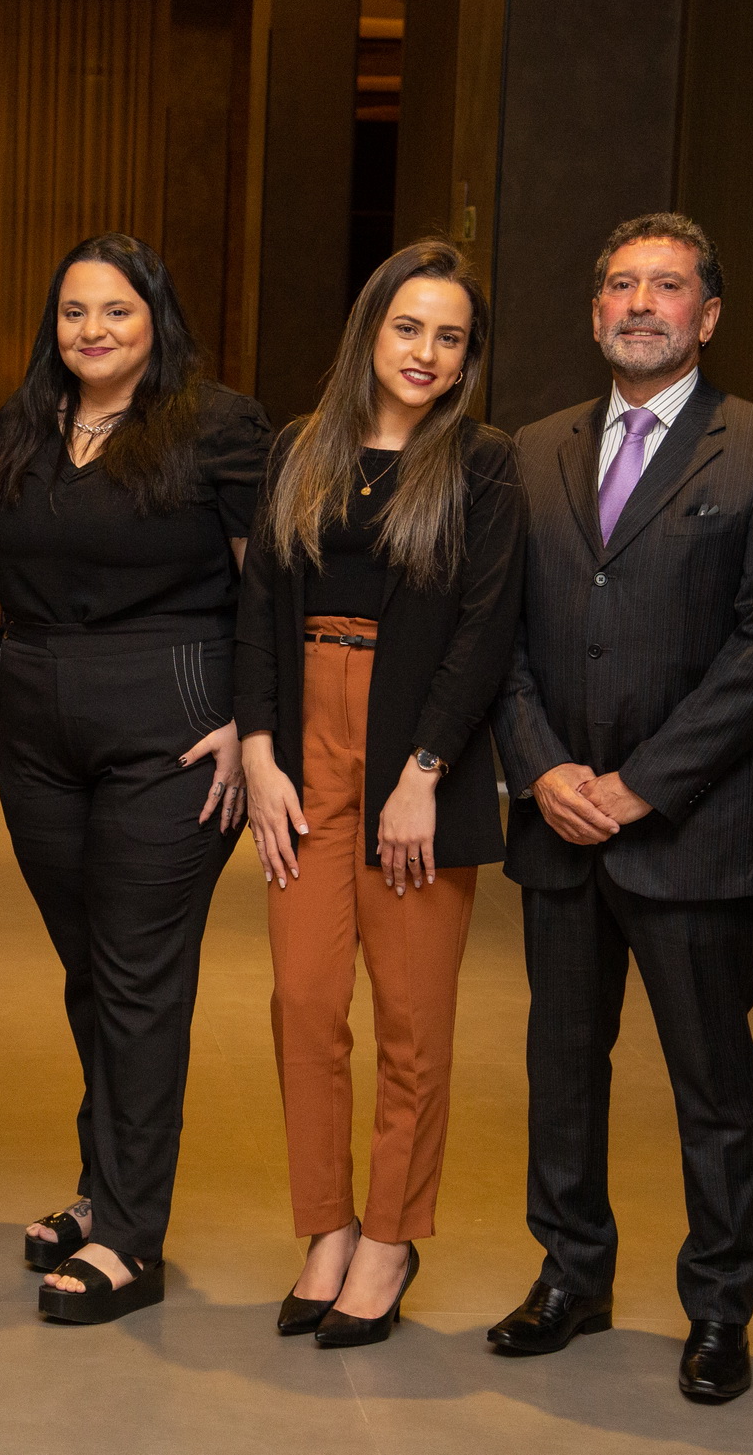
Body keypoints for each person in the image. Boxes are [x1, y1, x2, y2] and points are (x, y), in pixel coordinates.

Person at [488, 213, 753, 1401]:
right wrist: (540, 769)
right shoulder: (530, 451)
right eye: (622, 285)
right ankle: (570, 1276)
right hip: (556, 823)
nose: (641, 303)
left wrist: (640, 785)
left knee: (711, 1088)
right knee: (561, 1073)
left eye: (668, 285)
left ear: (707, 315)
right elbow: (497, 632)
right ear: (594, 313)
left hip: (697, 834)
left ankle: (720, 1307)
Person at [236, 240, 525, 1348]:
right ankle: (326, 1224)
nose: (426, 353)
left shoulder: (481, 465)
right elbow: (258, 604)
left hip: (412, 756)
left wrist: (426, 772)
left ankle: (390, 1238)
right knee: (305, 1006)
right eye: (408, 327)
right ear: (370, 330)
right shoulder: (298, 449)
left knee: (411, 1022)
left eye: (450, 337)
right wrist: (259, 749)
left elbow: (484, 627)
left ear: (467, 357)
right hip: (304, 748)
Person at [0, 232, 271, 1324]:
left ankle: (131, 1236)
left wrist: (249, 722)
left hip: (174, 724)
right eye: (73, 312)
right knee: (89, 970)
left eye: (115, 310)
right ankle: (102, 1185)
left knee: (140, 974)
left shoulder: (218, 425)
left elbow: (268, 588)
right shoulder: (27, 423)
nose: (92, 330)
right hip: (40, 727)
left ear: (156, 318)